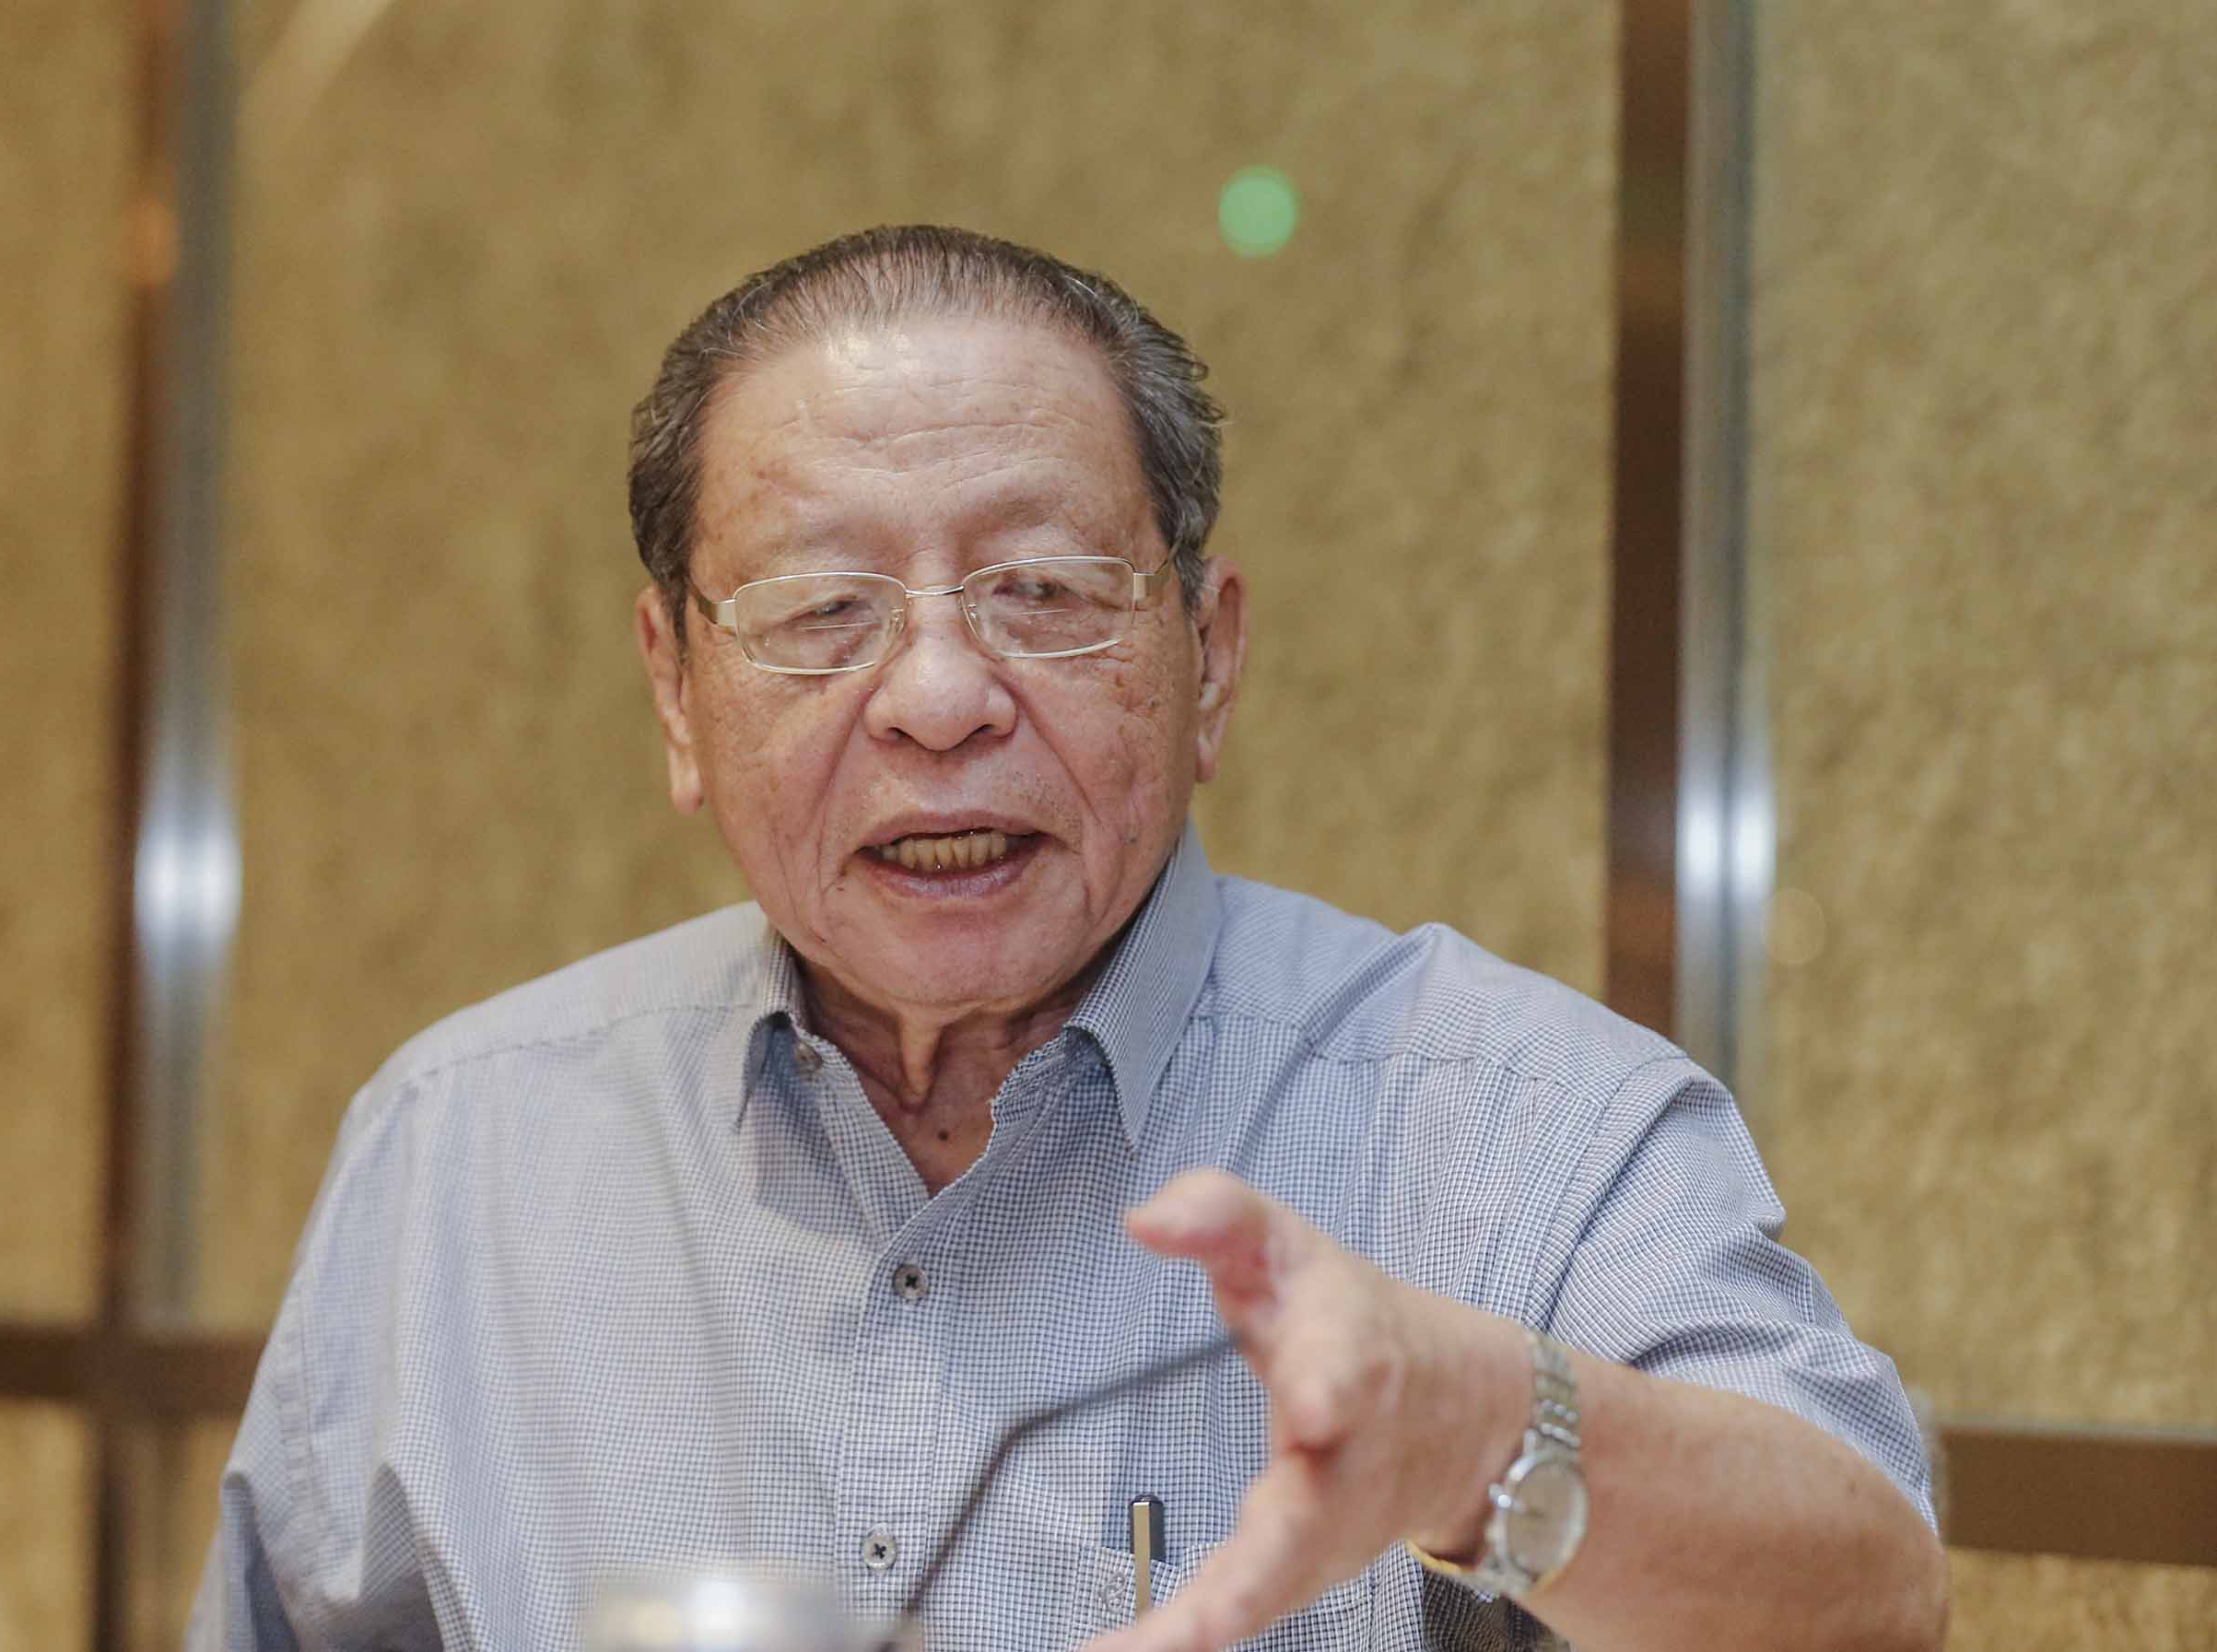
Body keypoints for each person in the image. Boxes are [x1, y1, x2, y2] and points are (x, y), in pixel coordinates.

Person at [191, 226, 1947, 1652]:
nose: (942, 698)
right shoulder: (467, 1139)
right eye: (821, 610)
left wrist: (1476, 1430)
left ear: (1210, 656)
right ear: (673, 688)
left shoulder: (1508, 1116)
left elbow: (1867, 1597)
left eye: (1042, 589)